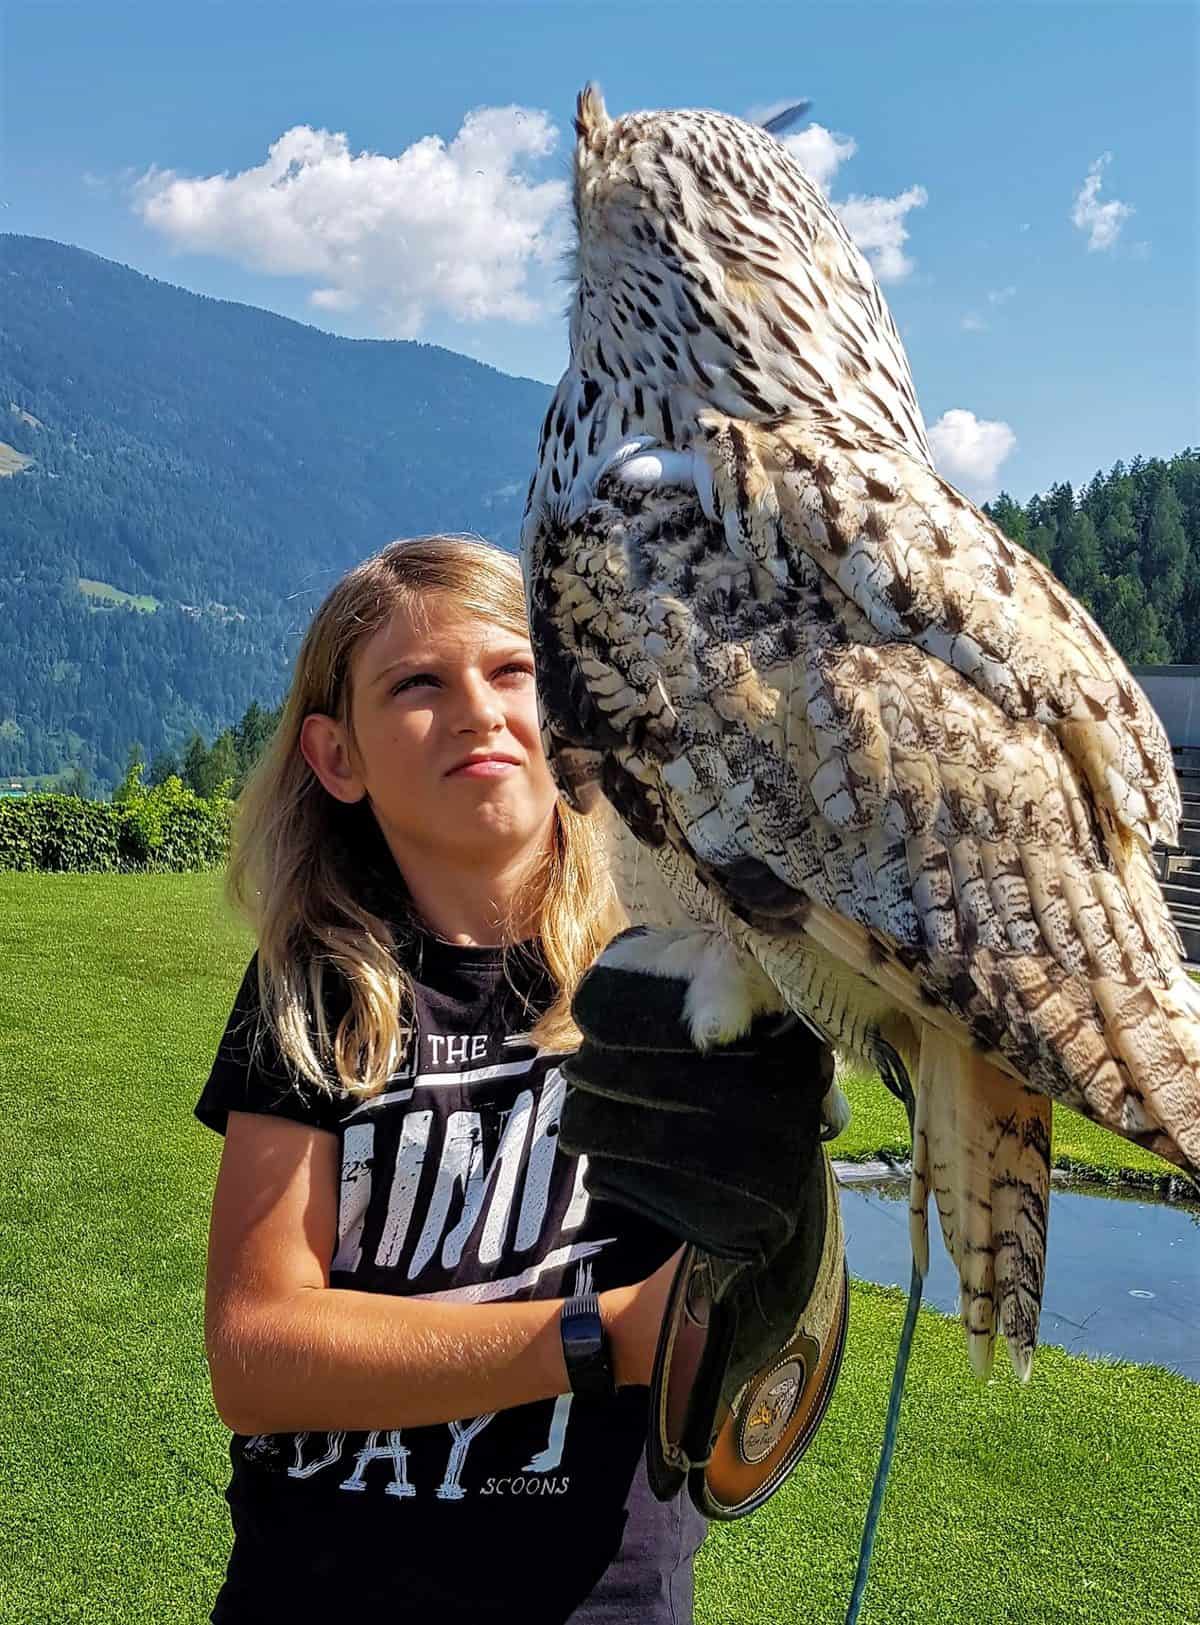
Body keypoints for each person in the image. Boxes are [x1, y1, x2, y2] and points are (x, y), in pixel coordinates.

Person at [194, 535, 708, 1623]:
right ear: (338, 758)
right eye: (418, 684)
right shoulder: (318, 982)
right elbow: (256, 1353)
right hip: (327, 1588)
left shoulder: (676, 974)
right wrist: (598, 1337)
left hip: (598, 1594)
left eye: (513, 670)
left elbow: (736, 1332)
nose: (478, 709)